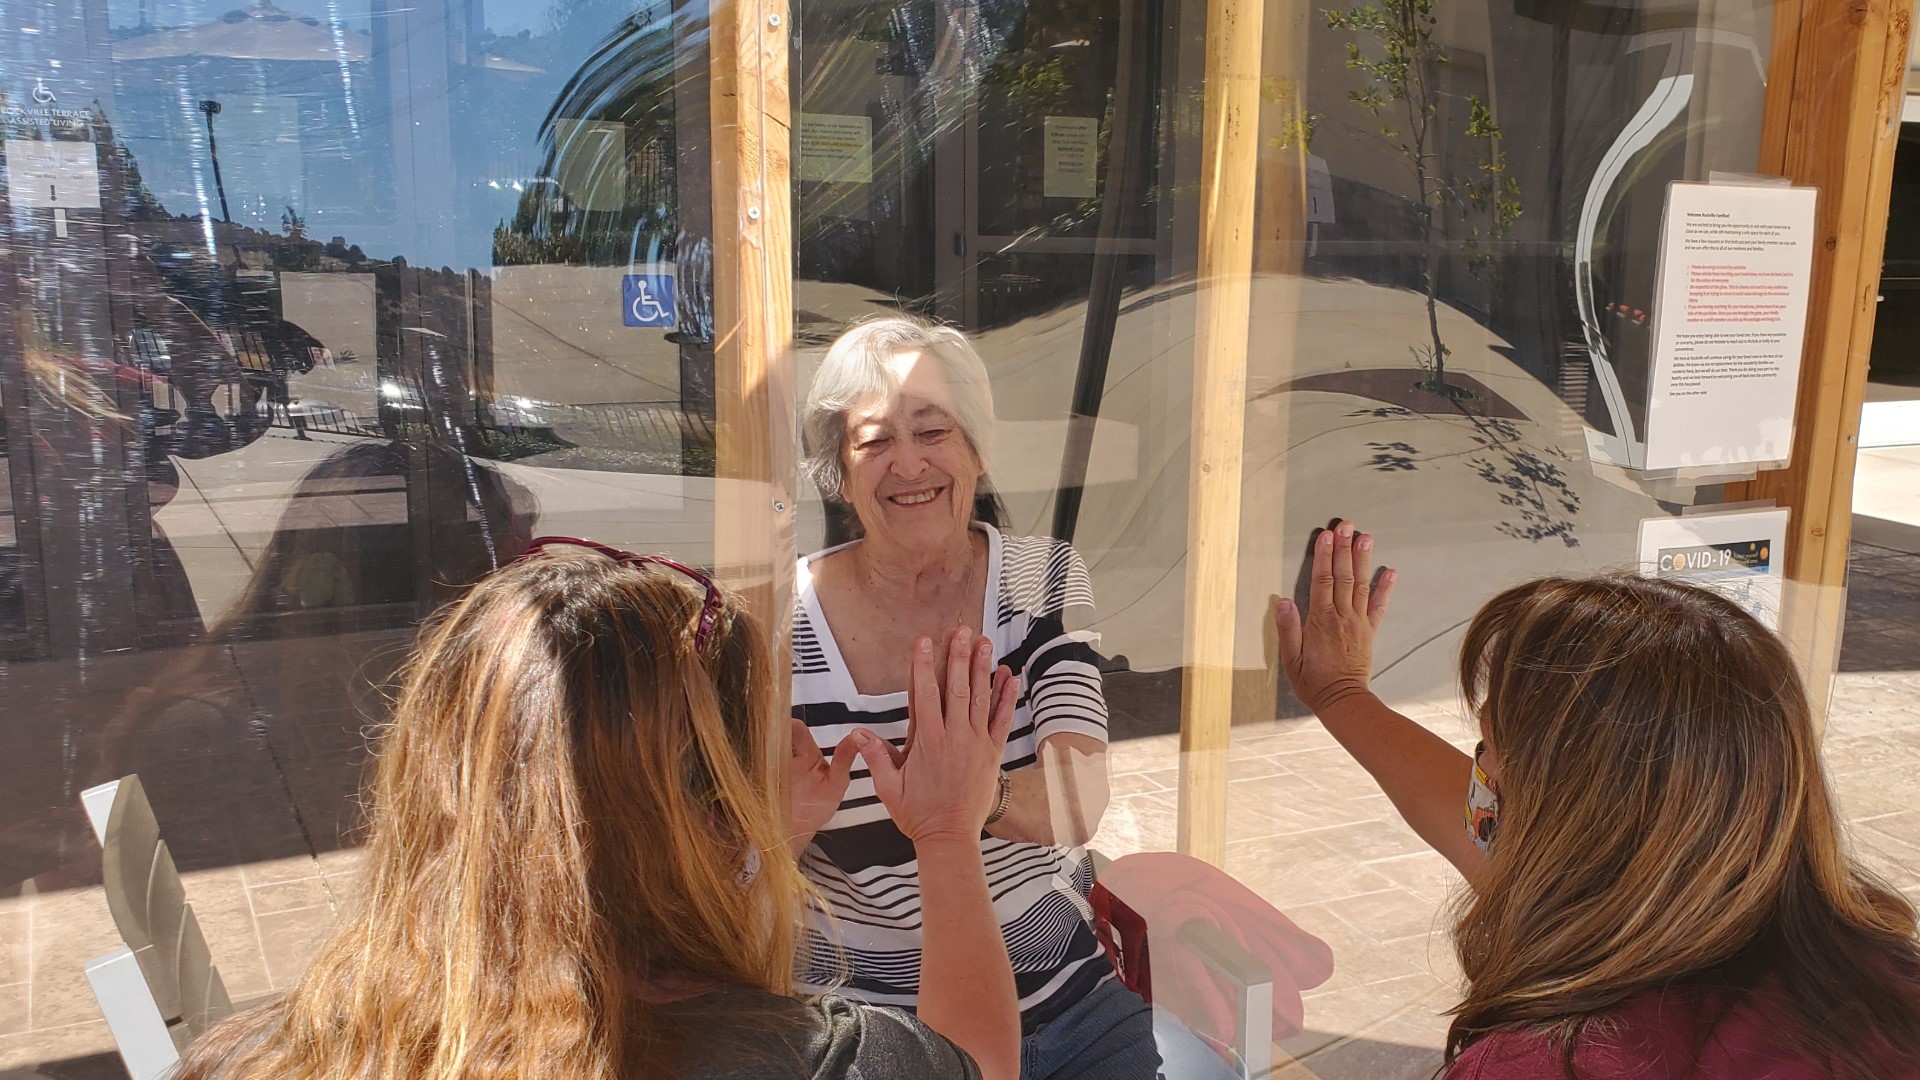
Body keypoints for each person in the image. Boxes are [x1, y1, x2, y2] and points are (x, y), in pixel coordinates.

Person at [174, 537, 1024, 1079]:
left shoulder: (240, 1060)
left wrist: (758, 836)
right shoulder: (815, 1062)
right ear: (714, 813)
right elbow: (977, 1064)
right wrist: (948, 831)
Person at [1272, 520, 1920, 1080]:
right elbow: (1514, 845)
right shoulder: (1872, 974)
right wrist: (1341, 695)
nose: (1479, 777)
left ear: (1570, 815)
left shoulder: (1560, 1061)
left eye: (1489, 747)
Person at [789, 316, 1156, 1079]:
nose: (908, 463)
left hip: (1061, 998)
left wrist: (966, 799)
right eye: (874, 440)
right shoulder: (782, 618)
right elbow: (736, 860)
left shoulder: (1040, 575)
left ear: (977, 451)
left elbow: (1077, 798)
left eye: (933, 431)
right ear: (840, 470)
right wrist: (779, 826)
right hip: (863, 1020)